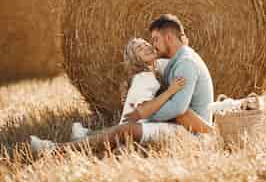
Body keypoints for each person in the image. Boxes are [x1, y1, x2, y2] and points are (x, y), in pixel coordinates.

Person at [30, 14, 214, 152]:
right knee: (125, 129)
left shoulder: (185, 63)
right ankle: (76, 140)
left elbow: (179, 109)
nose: (153, 46)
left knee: (126, 129)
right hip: (183, 126)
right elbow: (151, 72)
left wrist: (144, 113)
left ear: (168, 38)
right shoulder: (176, 60)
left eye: (155, 40)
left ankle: (56, 150)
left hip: (193, 134)